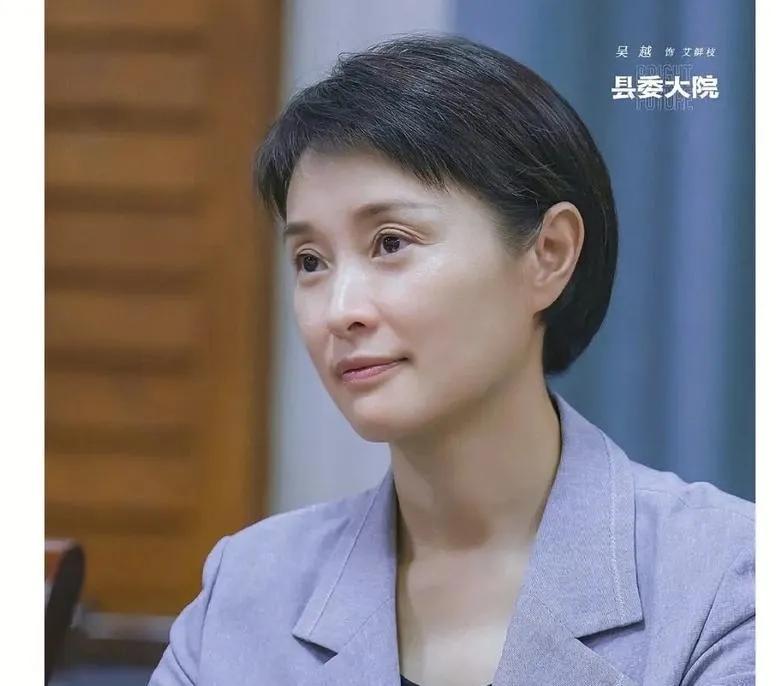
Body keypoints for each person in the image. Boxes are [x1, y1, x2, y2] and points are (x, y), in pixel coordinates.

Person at [149, 34, 754, 686]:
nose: (339, 311)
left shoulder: (724, 580)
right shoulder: (246, 589)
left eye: (390, 243)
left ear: (548, 254)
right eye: (310, 261)